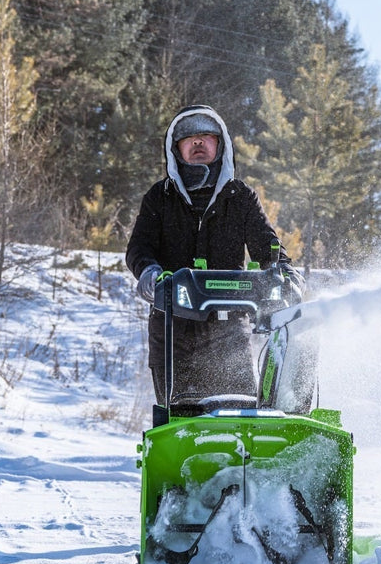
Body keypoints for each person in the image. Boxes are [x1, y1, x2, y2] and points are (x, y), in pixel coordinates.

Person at [125, 104, 302, 409]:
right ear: (175, 148)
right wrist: (149, 272)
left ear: (220, 145)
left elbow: (266, 244)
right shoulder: (159, 197)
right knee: (179, 415)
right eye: (188, 138)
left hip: (228, 327)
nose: (197, 143)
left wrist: (284, 271)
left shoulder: (240, 196)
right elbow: (139, 248)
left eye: (206, 136)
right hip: (172, 329)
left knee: (240, 411)